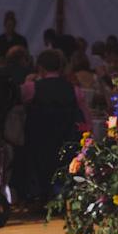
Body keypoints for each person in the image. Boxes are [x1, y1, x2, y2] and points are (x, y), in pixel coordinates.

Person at [16, 50, 90, 205]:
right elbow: (85, 119)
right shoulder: (74, 90)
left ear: (40, 68)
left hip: (37, 143)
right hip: (65, 144)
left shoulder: (31, 88)